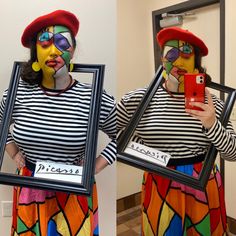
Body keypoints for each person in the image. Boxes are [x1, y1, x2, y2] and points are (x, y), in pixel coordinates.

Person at [0, 10, 116, 236]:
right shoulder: (18, 92)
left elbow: (124, 135)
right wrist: (13, 152)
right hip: (31, 194)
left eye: (63, 42)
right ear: (36, 52)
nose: (54, 50)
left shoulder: (93, 97)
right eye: (45, 44)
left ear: (72, 50)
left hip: (73, 193)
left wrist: (95, 166)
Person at [117, 27, 236, 235]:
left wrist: (211, 124)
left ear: (196, 64)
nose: (178, 62)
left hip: (203, 183)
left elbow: (232, 153)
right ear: (162, 60)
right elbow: (110, 130)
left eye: (186, 55)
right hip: (159, 182)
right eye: (171, 54)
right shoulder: (138, 99)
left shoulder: (213, 103)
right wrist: (145, 151)